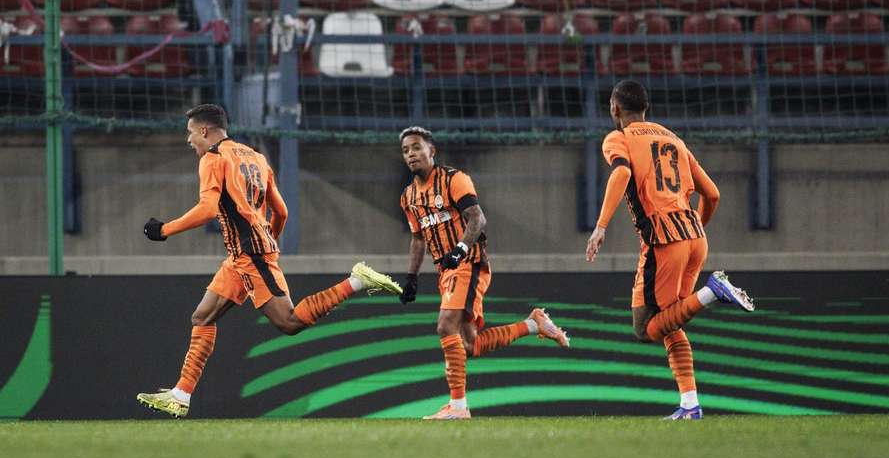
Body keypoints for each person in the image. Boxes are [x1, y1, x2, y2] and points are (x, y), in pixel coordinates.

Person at [137, 103, 401, 418]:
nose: (189, 140)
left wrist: (164, 230)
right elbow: (282, 211)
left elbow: (208, 209)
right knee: (202, 316)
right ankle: (181, 394)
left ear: (205, 131)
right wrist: (268, 240)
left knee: (289, 322)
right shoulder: (256, 158)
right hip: (244, 255)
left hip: (250, 254)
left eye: (191, 133)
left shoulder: (213, 159)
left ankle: (357, 280)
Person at [585, 80, 754, 420]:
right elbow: (713, 194)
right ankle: (690, 405)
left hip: (664, 240)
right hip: (695, 237)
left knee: (644, 327)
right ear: (646, 109)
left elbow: (620, 172)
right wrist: (694, 232)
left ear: (615, 109)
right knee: (671, 322)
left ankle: (712, 292)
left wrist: (601, 226)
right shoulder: (672, 138)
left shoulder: (617, 138)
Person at [397, 126, 570, 420]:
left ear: (431, 151)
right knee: (468, 344)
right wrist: (411, 277)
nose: (411, 154)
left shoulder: (455, 179)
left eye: (416, 147)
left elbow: (477, 218)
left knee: (444, 326)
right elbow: (418, 239)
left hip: (469, 262)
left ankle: (459, 407)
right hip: (446, 271)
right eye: (405, 151)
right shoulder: (408, 197)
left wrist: (461, 248)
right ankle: (532, 324)